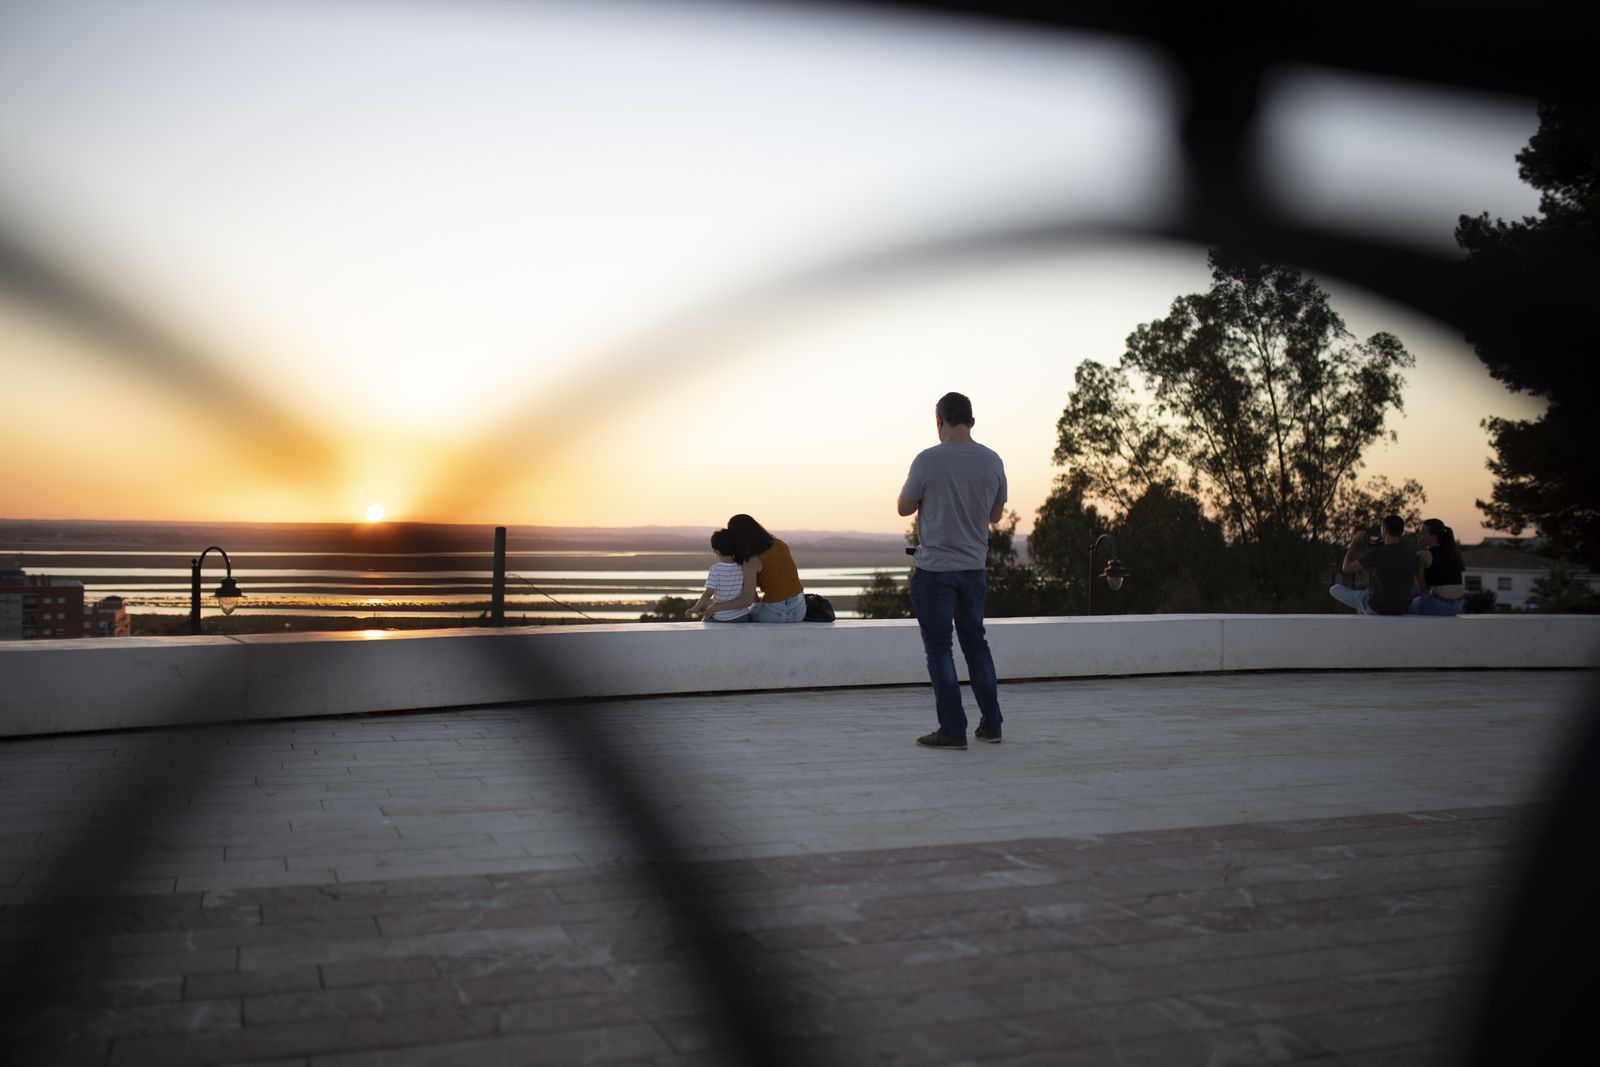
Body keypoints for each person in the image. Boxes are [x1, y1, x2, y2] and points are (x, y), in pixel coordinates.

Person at [897, 391, 1007, 751]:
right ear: (972, 422)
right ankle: (992, 725)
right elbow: (995, 516)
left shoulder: (928, 460)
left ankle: (953, 729)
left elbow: (903, 507)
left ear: (939, 421)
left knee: (939, 648)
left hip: (935, 571)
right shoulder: (992, 460)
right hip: (973, 570)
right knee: (976, 646)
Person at [704, 514, 807, 623]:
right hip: (799, 609)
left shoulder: (751, 560)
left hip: (774, 613)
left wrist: (716, 607)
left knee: (736, 616)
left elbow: (747, 600)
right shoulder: (780, 544)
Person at [1329, 515, 1414, 616]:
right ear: (1401, 531)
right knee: (1369, 592)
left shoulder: (1377, 553)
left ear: (1384, 530)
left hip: (1377, 608)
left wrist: (1354, 543)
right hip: (1400, 610)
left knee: (1334, 589)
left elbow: (1346, 568)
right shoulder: (1410, 553)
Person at [687, 529, 750, 623]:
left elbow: (708, 592)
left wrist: (695, 608)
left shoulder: (715, 569)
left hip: (721, 617)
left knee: (704, 622)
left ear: (715, 550)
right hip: (742, 616)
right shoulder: (743, 567)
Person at [1409, 517, 1466, 616]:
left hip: (1438, 604)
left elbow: (1422, 588)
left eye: (1422, 534)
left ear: (1433, 537)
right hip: (1458, 605)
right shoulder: (1452, 554)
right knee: (1412, 592)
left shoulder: (1423, 555)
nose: (1418, 535)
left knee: (1404, 601)